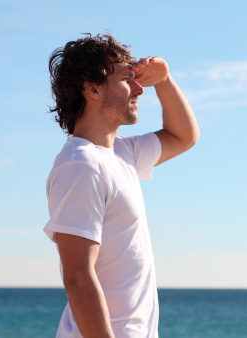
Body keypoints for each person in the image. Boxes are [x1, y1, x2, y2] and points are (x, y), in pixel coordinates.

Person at [43, 33, 200, 337]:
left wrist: (165, 81)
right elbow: (77, 276)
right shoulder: (81, 165)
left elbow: (185, 136)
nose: (140, 90)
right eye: (129, 80)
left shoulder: (120, 154)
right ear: (92, 89)